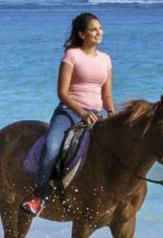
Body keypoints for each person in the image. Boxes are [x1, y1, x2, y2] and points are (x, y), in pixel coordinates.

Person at [33, 12, 115, 202]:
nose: (99, 33)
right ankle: (39, 195)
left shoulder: (105, 59)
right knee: (52, 146)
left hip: (96, 114)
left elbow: (107, 95)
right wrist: (83, 113)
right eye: (93, 29)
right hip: (69, 112)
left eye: (100, 29)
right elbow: (62, 92)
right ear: (81, 34)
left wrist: (111, 112)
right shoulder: (72, 55)